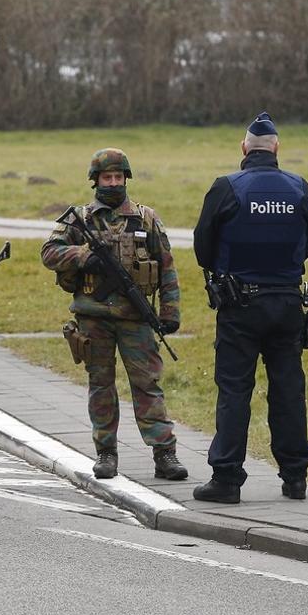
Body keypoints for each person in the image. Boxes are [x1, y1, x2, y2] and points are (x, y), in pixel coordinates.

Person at [40, 148, 188, 482]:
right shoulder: (80, 219)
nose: (113, 183)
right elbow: (48, 252)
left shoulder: (145, 218)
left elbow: (167, 268)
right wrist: (82, 256)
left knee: (147, 385)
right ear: (95, 180)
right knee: (100, 385)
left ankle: (165, 453)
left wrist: (170, 311)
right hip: (93, 317)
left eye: (118, 177)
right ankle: (106, 452)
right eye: (107, 177)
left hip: (135, 317)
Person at [191, 113, 308, 504]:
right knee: (289, 390)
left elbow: (202, 246)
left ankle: (226, 479)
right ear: (276, 148)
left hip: (240, 305)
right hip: (287, 302)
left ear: (244, 148)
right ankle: (295, 477)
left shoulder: (227, 187)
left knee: (234, 389)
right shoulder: (299, 188)